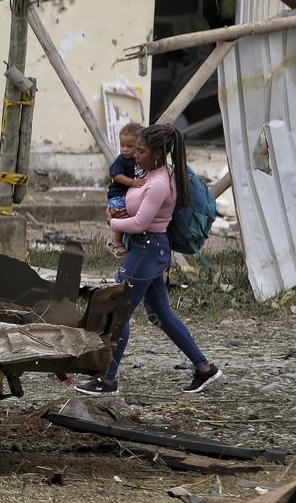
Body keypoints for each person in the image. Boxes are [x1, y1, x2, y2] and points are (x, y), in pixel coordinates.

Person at [76, 123, 222, 396]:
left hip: (147, 250)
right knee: (161, 315)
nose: (135, 155)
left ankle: (107, 381)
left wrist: (112, 221)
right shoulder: (156, 173)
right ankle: (204, 368)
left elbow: (143, 221)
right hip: (150, 251)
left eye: (141, 151)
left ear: (156, 153)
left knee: (118, 314)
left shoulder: (157, 183)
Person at [106, 122, 145, 258]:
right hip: (119, 194)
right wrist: (132, 182)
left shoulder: (140, 161)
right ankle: (116, 241)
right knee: (121, 215)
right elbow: (115, 175)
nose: (124, 150)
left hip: (130, 194)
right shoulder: (121, 160)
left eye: (130, 146)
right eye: (122, 146)